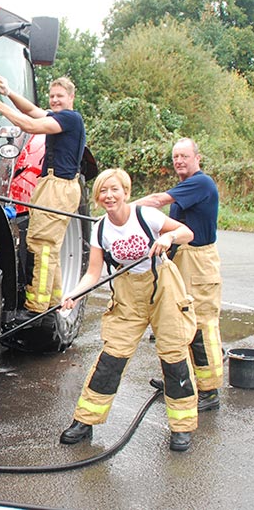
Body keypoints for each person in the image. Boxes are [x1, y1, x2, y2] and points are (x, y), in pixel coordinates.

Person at [58, 168, 198, 451]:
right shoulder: (100, 229)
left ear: (126, 192)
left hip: (163, 289)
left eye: (115, 190)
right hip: (127, 295)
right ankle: (85, 421)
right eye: (103, 191)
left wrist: (168, 239)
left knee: (174, 356)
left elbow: (187, 232)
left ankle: (181, 427)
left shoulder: (145, 216)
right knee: (111, 358)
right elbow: (93, 273)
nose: (109, 196)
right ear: (98, 197)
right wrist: (73, 294)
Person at [0, 76, 86, 321]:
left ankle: (37, 306)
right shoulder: (60, 116)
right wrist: (8, 92)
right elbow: (31, 110)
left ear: (71, 98)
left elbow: (30, 125)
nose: (55, 100)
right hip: (51, 184)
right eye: (52, 96)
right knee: (48, 244)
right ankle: (53, 300)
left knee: (42, 244)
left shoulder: (71, 118)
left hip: (58, 187)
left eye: (60, 96)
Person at [135, 138, 223, 411]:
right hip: (181, 260)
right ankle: (181, 381)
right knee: (178, 323)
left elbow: (159, 201)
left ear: (198, 158)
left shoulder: (201, 183)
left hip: (199, 262)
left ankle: (209, 391)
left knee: (201, 325)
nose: (179, 161)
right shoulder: (186, 187)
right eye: (175, 157)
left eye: (184, 156)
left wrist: (123, 210)